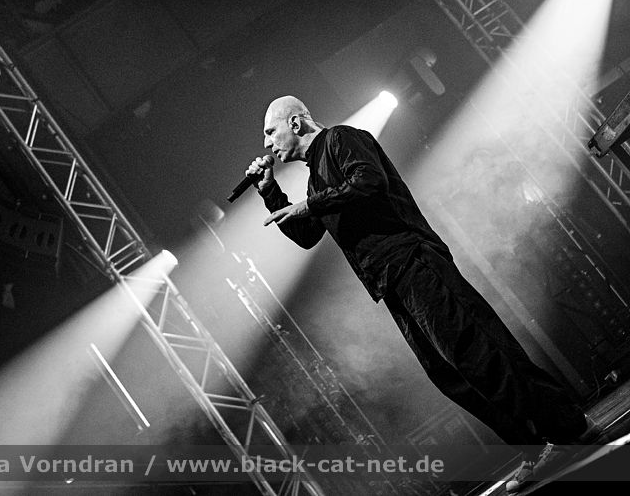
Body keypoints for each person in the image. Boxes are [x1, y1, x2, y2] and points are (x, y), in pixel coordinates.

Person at [246, 95, 590, 493]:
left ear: (295, 122)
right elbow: (307, 234)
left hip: (413, 261)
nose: (267, 143)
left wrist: (310, 204)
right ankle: (532, 445)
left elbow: (368, 181)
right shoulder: (314, 179)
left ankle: (568, 429)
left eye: (270, 131)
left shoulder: (341, 139)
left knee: (480, 352)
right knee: (450, 374)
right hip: (390, 281)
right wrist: (270, 191)